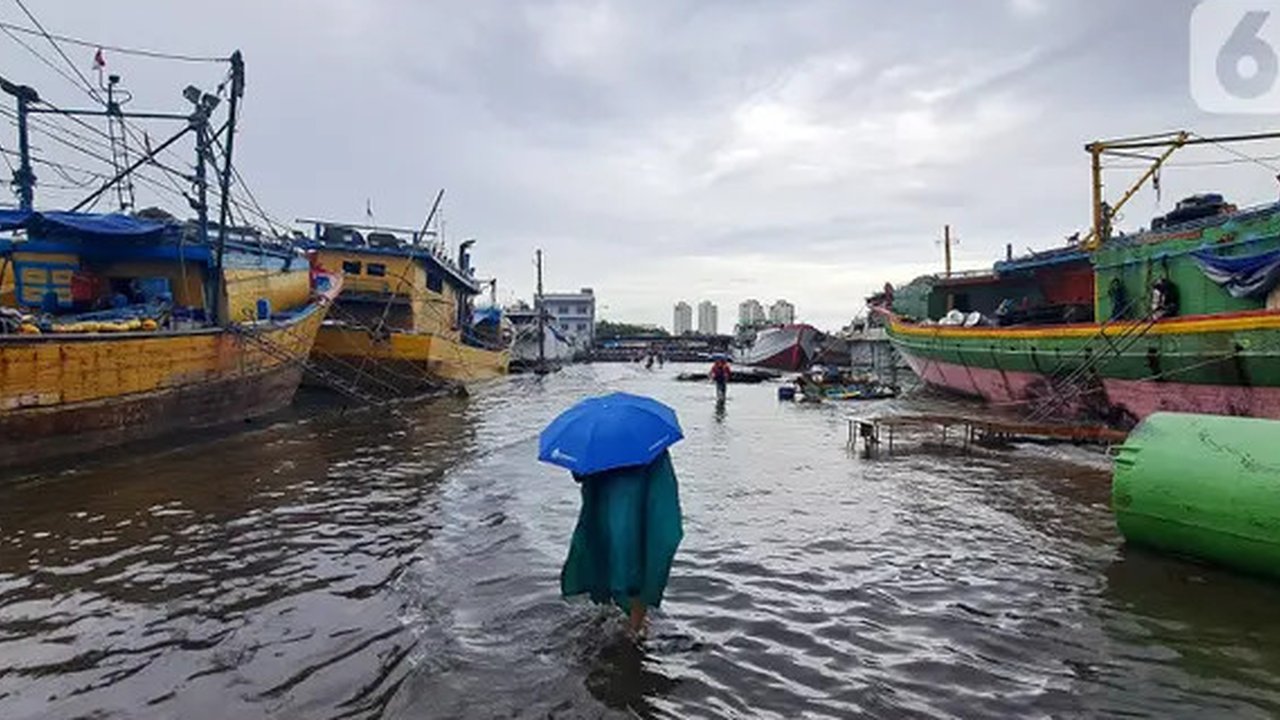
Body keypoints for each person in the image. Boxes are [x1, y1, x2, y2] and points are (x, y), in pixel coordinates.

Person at [561, 451, 683, 635]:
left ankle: (608, 614)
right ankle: (635, 628)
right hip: (641, 503)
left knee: (606, 552)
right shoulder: (648, 437)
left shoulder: (595, 436)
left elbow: (579, 473)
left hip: (604, 502)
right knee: (638, 557)